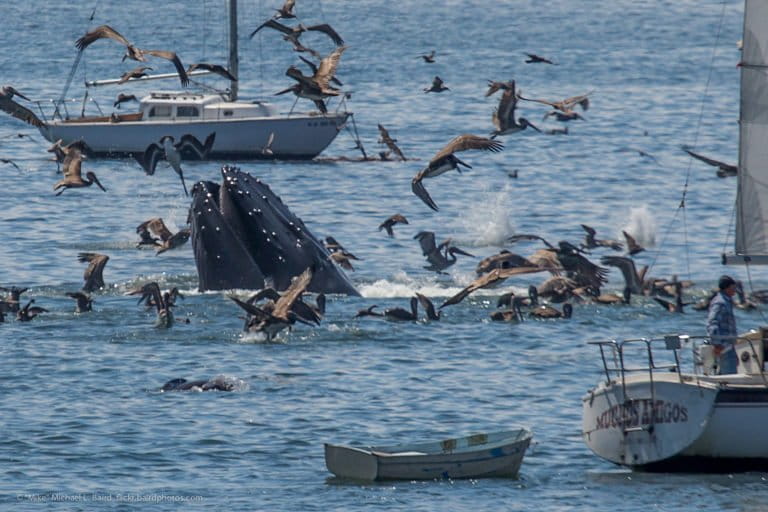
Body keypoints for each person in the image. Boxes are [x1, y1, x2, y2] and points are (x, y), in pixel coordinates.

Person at [706, 275, 738, 374]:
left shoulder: (727, 301)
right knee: (730, 377)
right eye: (733, 288)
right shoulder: (720, 303)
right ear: (727, 288)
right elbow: (712, 322)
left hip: (728, 345)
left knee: (730, 371)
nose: (735, 290)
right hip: (723, 346)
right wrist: (717, 344)